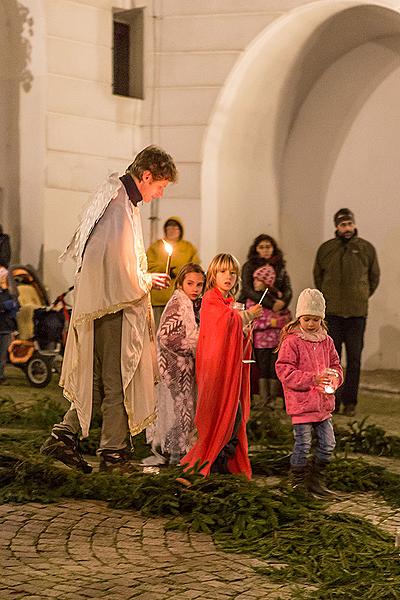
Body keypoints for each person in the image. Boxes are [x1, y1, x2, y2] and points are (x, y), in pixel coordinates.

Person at [41, 145, 177, 473]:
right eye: (160, 186)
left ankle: (64, 437)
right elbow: (114, 266)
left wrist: (140, 276)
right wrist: (143, 281)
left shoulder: (118, 197)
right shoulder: (117, 206)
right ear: (146, 176)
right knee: (118, 378)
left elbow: (112, 262)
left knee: (99, 378)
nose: (159, 195)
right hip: (110, 306)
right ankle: (113, 454)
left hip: (101, 302)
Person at [182, 253, 262, 479]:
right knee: (222, 415)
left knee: (234, 417)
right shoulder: (211, 300)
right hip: (216, 370)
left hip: (230, 369)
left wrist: (245, 325)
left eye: (232, 272)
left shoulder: (228, 302)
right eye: (223, 272)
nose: (228, 277)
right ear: (213, 275)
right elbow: (224, 324)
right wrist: (246, 316)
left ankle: (224, 463)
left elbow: (233, 332)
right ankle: (215, 463)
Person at [275, 288, 343, 496]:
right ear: (299, 318)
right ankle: (297, 481)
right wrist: (311, 379)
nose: (311, 324)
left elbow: (336, 365)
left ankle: (316, 479)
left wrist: (335, 378)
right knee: (303, 444)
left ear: (321, 319)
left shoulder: (326, 341)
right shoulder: (292, 342)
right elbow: (284, 370)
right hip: (302, 404)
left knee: (328, 444)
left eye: (315, 319)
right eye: (307, 319)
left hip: (323, 405)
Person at [313, 208, 380, 416]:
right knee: (332, 361)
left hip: (357, 314)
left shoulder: (366, 249)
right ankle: (333, 399)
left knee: (354, 360)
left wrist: (361, 296)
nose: (347, 228)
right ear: (336, 227)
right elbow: (318, 277)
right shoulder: (326, 249)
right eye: (343, 225)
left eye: (349, 224)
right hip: (332, 314)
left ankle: (350, 402)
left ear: (354, 224)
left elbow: (374, 278)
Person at [142, 263, 205, 467]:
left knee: (183, 409)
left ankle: (178, 454)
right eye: (190, 283)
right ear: (180, 284)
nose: (195, 288)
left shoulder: (192, 303)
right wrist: (198, 344)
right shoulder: (178, 304)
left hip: (185, 367)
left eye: (199, 284)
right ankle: (174, 455)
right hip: (173, 368)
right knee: (178, 409)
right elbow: (166, 337)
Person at [245, 264, 291, 408]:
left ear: (266, 282)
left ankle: (272, 399)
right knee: (262, 369)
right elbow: (253, 321)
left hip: (277, 342)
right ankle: (264, 399)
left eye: (258, 280)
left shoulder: (277, 299)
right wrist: (271, 322)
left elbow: (286, 318)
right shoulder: (253, 301)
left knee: (274, 369)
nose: (254, 283)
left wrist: (276, 321)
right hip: (260, 343)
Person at [147, 217, 200, 328]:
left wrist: (178, 271)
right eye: (169, 227)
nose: (172, 230)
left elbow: (195, 267)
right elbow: (148, 265)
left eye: (175, 227)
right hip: (159, 298)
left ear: (180, 230)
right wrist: (165, 268)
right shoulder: (156, 246)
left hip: (181, 297)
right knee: (158, 328)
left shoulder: (188, 247)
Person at [0, 267, 19, 383]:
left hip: (6, 327)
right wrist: (8, 306)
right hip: (3, 325)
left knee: (2, 355)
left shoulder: (8, 292)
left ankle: (0, 376)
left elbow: (15, 306)